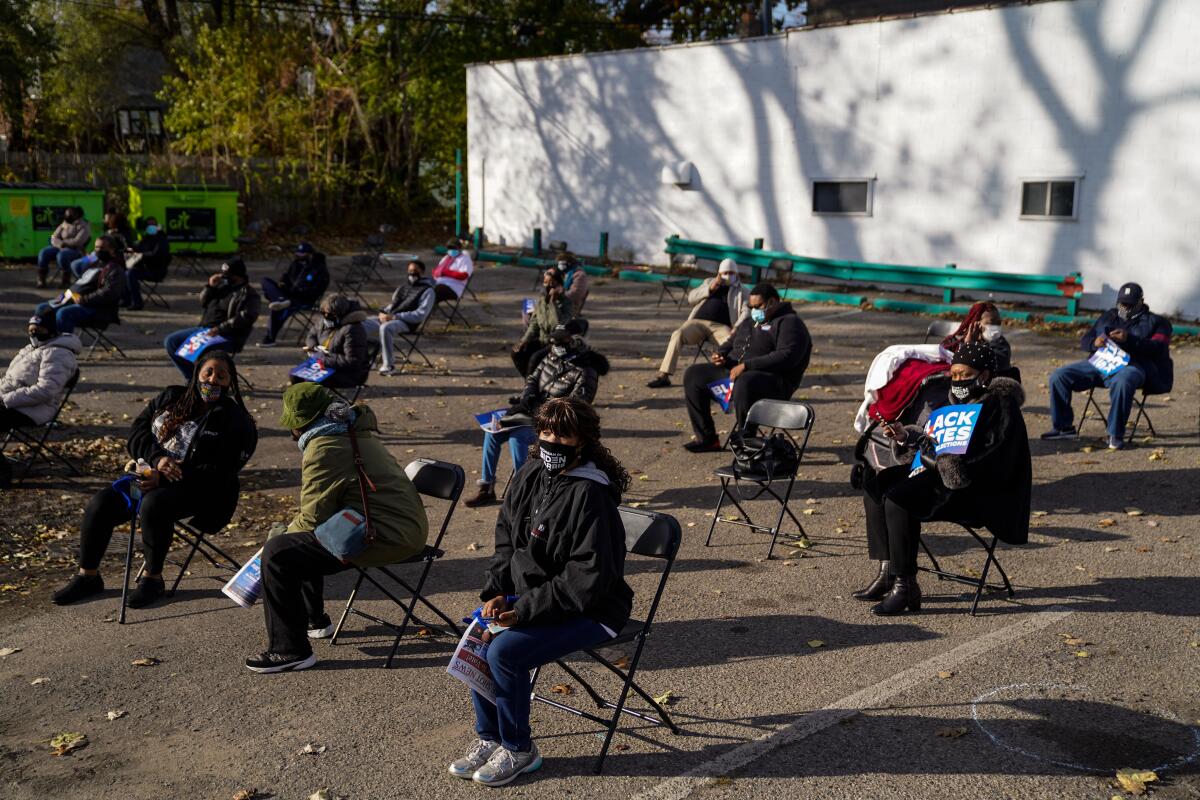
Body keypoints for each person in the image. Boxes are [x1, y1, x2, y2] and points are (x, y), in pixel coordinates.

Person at [448, 396, 632, 786]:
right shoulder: (531, 472)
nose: (552, 442)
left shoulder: (592, 495)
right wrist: (495, 592)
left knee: (505, 651)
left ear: (584, 440)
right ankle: (491, 737)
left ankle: (519, 748)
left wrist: (524, 610)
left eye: (563, 436)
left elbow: (588, 578)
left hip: (594, 609)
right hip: (534, 597)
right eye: (546, 432)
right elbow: (506, 541)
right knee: (480, 634)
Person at [50, 351, 257, 608]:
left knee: (154, 505)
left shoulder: (236, 420)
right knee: (100, 503)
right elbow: (137, 433)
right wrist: (157, 460)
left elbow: (221, 471)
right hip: (149, 476)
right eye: (209, 373)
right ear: (197, 374)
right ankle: (88, 576)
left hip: (200, 491)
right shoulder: (171, 397)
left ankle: (153, 579)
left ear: (230, 382)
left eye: (221, 376)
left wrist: (170, 477)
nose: (213, 380)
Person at [246, 383, 429, 673]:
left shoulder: (324, 446)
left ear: (300, 424)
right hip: (404, 527)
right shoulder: (350, 429)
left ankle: (289, 650)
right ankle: (314, 620)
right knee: (301, 544)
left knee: (279, 552)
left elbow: (311, 520)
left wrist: (272, 540)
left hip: (388, 535)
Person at [867, 342, 1031, 615]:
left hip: (977, 487)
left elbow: (994, 458)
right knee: (876, 484)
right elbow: (934, 441)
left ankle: (905, 586)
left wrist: (947, 464)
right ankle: (888, 569)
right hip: (940, 473)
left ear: (985, 375)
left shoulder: (1002, 405)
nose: (956, 380)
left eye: (964, 374)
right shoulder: (956, 401)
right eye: (953, 374)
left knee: (899, 498)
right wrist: (907, 437)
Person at [465, 325, 610, 508]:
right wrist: (527, 399)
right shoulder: (552, 355)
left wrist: (542, 411)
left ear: (575, 342)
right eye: (554, 341)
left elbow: (575, 409)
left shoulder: (587, 371)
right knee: (492, 433)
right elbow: (532, 379)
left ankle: (524, 490)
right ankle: (487, 487)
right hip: (531, 411)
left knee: (517, 438)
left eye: (560, 341)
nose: (555, 345)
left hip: (554, 424)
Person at [681, 282, 812, 452]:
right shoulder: (750, 321)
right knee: (693, 374)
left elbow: (786, 356)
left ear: (772, 302)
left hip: (774, 382)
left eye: (758, 306)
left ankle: (746, 440)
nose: (754, 310)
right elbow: (731, 342)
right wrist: (721, 354)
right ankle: (707, 438)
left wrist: (747, 366)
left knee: (745, 381)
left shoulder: (790, 323)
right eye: (751, 307)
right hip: (737, 372)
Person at [1042, 283, 1173, 449]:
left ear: (1141, 302)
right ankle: (1063, 427)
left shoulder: (1158, 322)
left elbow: (1158, 348)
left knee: (1123, 381)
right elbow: (1085, 339)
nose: (1125, 308)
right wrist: (1094, 343)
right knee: (1059, 375)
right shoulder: (1108, 316)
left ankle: (1115, 434)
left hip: (1133, 365)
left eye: (1130, 305)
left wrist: (1129, 340)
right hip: (1101, 361)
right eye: (1122, 304)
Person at [0, 312, 82, 486]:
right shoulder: (31, 349)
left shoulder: (58, 353)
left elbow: (46, 390)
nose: (34, 334)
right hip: (13, 402)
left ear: (50, 331)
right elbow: (10, 380)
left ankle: (2, 472)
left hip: (34, 409)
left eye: (38, 329)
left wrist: (6, 399)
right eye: (31, 330)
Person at [647, 258, 748, 389]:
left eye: (731, 273)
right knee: (678, 334)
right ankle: (664, 375)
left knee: (733, 344)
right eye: (725, 273)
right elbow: (691, 298)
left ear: (737, 274)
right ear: (719, 273)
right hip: (698, 323)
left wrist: (737, 327)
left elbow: (746, 311)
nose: (728, 276)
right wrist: (711, 288)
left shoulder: (742, 290)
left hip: (722, 327)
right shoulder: (709, 282)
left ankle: (729, 379)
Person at [163, 258, 260, 380]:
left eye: (228, 275)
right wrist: (210, 286)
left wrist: (219, 329)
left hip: (227, 334)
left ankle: (204, 381)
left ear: (238, 276)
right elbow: (203, 302)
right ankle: (192, 379)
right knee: (171, 341)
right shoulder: (222, 286)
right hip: (205, 329)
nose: (224, 277)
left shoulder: (249, 294)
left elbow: (246, 317)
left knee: (205, 350)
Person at [33, 234, 126, 334]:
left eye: (102, 248)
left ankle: (64, 346)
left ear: (112, 250)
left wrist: (85, 299)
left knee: (63, 313)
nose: (98, 250)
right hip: (73, 298)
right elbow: (76, 264)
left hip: (96, 308)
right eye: (96, 247)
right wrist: (88, 258)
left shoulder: (115, 269)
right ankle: (46, 341)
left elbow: (109, 293)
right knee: (42, 308)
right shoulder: (94, 260)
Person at [361, 259, 436, 375]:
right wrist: (383, 312)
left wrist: (395, 317)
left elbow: (420, 315)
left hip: (408, 323)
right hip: (391, 317)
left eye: (415, 270)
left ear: (422, 272)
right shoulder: (403, 286)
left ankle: (389, 366)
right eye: (410, 270)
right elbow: (393, 304)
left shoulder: (428, 291)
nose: (412, 273)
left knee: (385, 328)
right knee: (362, 323)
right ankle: (369, 359)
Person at [258, 242, 330, 347]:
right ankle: (281, 299)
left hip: (304, 299)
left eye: (303, 254)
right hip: (288, 295)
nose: (300, 257)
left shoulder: (319, 269)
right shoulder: (296, 264)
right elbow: (286, 277)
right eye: (298, 254)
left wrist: (298, 291)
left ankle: (270, 337)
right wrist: (282, 282)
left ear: (310, 254)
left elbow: (317, 290)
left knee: (278, 308)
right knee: (265, 281)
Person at [292, 294, 371, 390]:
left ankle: (312, 403)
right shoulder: (324, 321)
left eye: (329, 314)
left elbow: (352, 361)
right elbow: (311, 335)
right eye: (323, 313)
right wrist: (313, 347)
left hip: (348, 373)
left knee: (309, 382)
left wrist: (322, 358)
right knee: (295, 375)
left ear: (340, 313)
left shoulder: (353, 329)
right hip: (326, 364)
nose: (325, 317)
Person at [512, 268, 574, 377]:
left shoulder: (566, 303)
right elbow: (534, 324)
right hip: (542, 341)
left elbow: (558, 325)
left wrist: (553, 303)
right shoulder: (541, 302)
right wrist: (524, 340)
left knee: (535, 358)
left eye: (551, 283)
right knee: (517, 353)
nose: (547, 286)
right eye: (545, 283)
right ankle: (530, 385)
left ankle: (532, 388)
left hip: (556, 344)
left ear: (559, 285)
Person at [939, 301, 1012, 373]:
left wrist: (970, 346)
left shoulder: (1001, 345)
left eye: (998, 323)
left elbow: (990, 364)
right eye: (991, 323)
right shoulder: (955, 342)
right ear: (976, 323)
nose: (996, 326)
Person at [123, 216, 172, 311]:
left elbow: (157, 254)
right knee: (123, 271)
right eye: (149, 225)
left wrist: (142, 255)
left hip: (156, 270)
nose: (151, 227)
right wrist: (130, 249)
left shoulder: (161, 238)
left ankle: (137, 302)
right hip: (145, 268)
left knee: (131, 274)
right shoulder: (147, 238)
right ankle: (126, 300)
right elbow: (138, 248)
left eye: (153, 224)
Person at [36, 206, 91, 289]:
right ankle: (41, 280)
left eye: (70, 214)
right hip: (60, 247)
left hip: (75, 250)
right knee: (44, 252)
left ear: (76, 215)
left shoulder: (84, 225)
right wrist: (59, 244)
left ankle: (65, 281)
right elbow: (54, 237)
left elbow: (78, 241)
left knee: (62, 255)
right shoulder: (64, 223)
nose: (67, 216)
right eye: (66, 214)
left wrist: (63, 243)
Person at [432, 237, 474, 304]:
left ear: (459, 248)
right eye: (450, 248)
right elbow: (437, 270)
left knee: (433, 291)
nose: (451, 250)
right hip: (439, 283)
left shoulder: (465, 258)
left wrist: (446, 272)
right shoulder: (446, 258)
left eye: (454, 248)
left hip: (453, 287)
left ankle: (426, 310)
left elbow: (464, 275)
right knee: (424, 287)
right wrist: (436, 271)